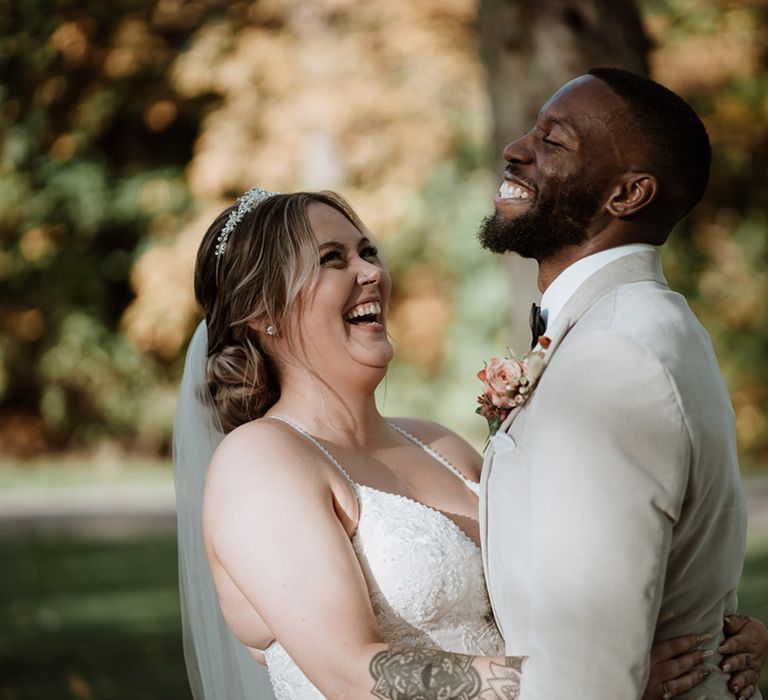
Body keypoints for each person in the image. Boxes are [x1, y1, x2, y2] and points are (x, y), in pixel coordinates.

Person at [174, 187, 767, 699]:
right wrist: (591, 681)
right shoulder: (261, 463)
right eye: (333, 259)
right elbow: (356, 676)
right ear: (262, 313)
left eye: (368, 251)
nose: (371, 272)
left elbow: (575, 572)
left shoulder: (438, 444)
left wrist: (712, 629)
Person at [477, 67, 764, 700]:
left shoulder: (616, 353)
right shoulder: (647, 324)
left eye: (554, 142)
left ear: (628, 195)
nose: (516, 148)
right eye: (532, 130)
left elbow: (590, 670)